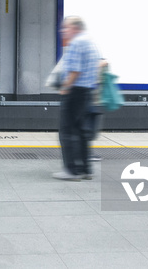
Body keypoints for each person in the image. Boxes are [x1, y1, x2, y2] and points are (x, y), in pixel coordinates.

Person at [52, 16, 100, 181]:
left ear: (76, 28)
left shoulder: (76, 43)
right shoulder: (90, 42)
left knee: (66, 131)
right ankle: (86, 170)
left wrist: (65, 88)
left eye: (66, 28)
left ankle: (71, 171)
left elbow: (74, 71)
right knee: (81, 132)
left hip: (74, 92)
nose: (63, 31)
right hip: (87, 92)